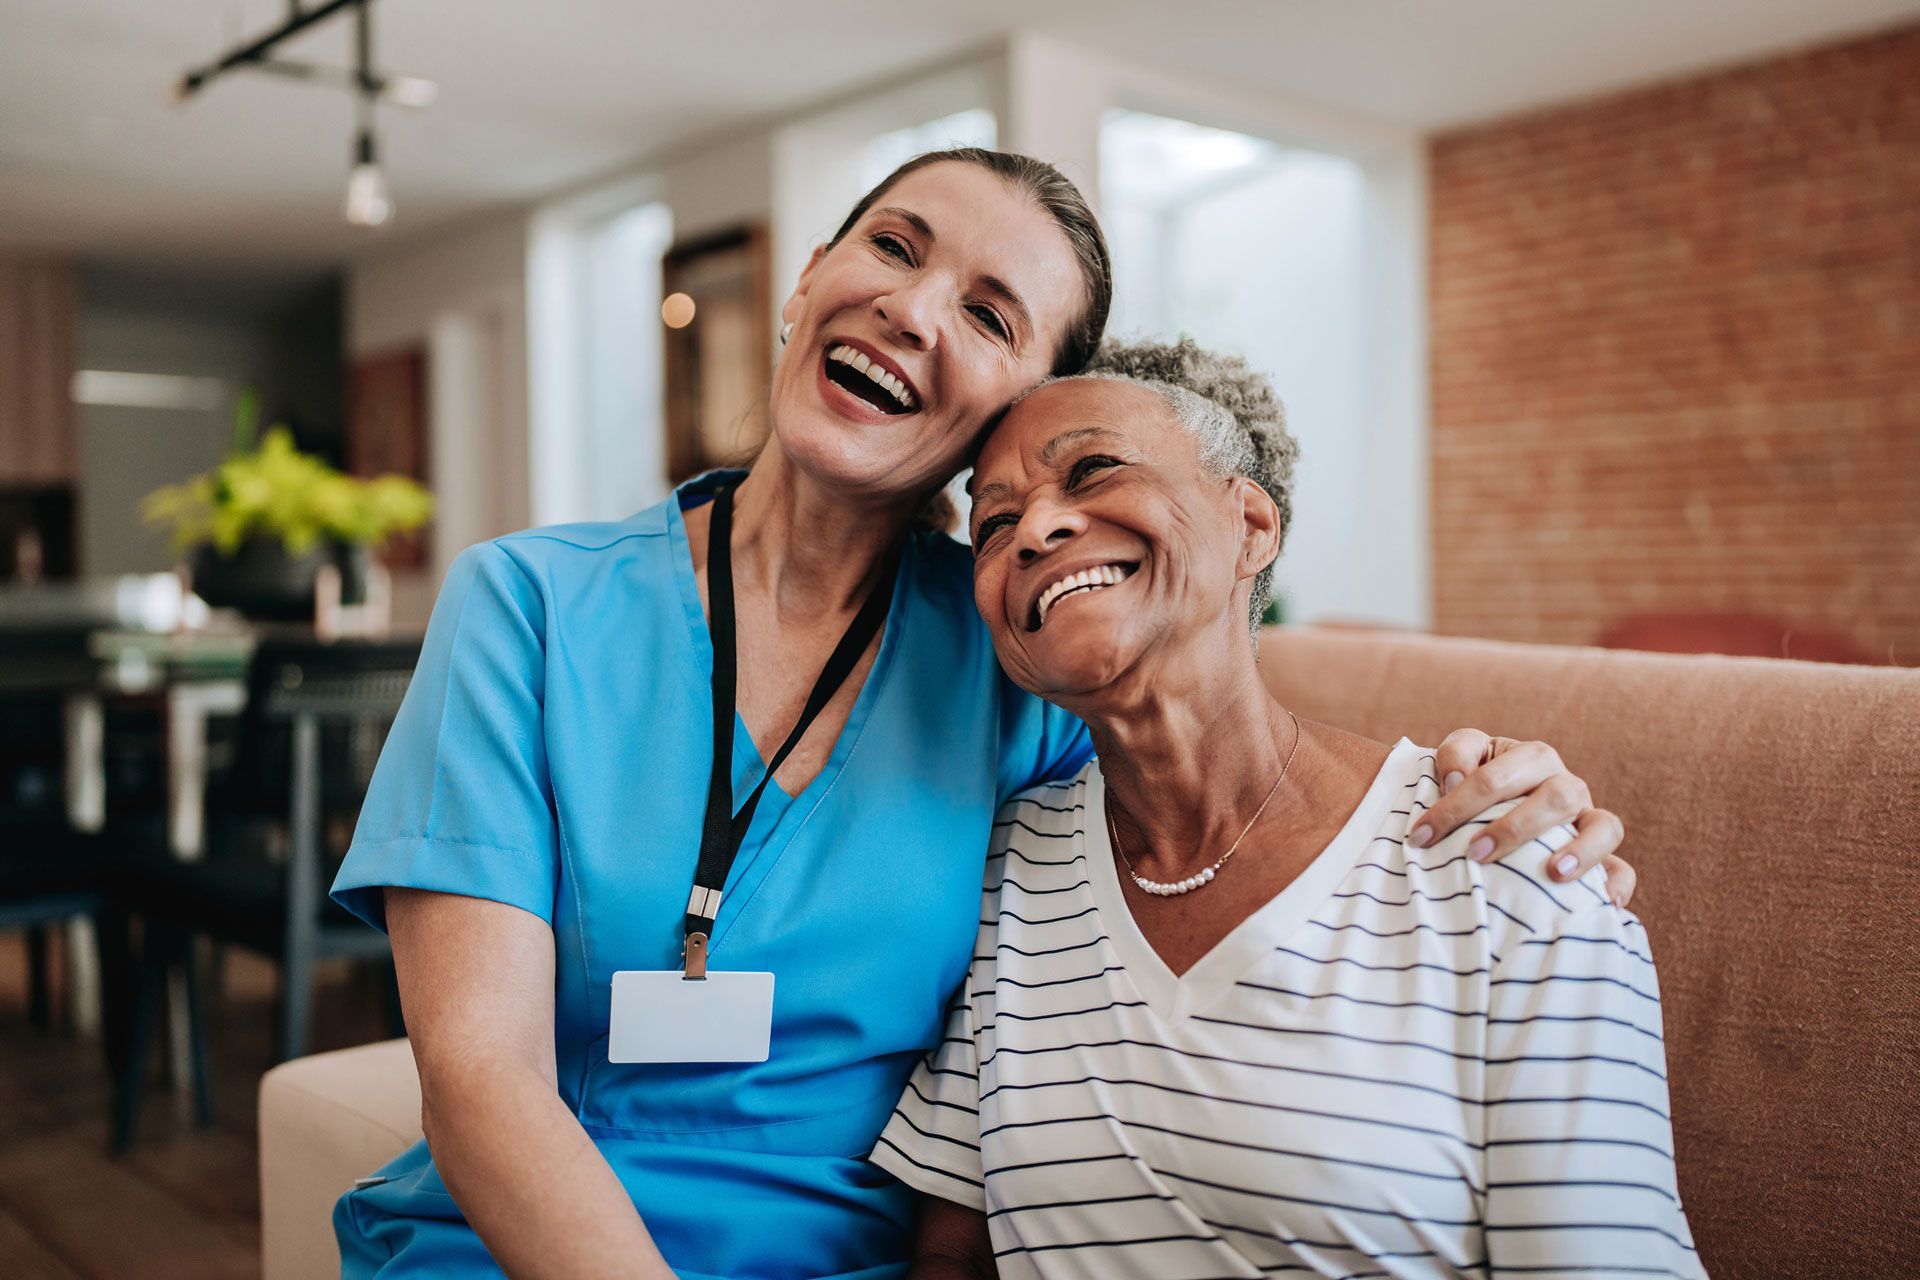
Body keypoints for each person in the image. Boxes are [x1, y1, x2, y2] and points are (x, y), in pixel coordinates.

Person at [330, 151, 1633, 1279]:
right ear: (808, 282)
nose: (910, 306)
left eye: (988, 311)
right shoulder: (528, 605)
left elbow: (1214, 783)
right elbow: (480, 1083)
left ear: (1007, 418)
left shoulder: (1018, 659)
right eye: (893, 247)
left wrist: (1492, 790)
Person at [876, 338, 1701, 1279]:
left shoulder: (1509, 856)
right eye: (992, 524)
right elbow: (954, 1249)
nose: (1033, 532)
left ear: (1253, 525)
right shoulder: (997, 873)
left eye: (1095, 469)